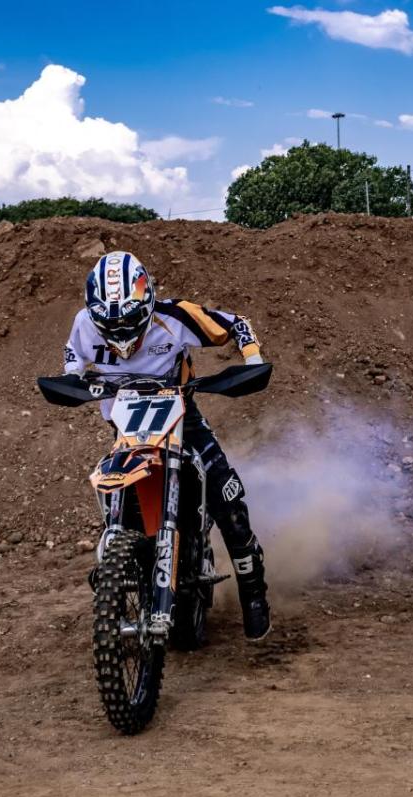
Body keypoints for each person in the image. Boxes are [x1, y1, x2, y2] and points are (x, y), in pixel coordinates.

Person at [63, 251, 271, 641]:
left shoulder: (175, 316)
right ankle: (117, 562)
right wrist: (71, 380)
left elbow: (236, 324)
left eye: (127, 320)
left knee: (228, 500)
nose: (120, 332)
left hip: (181, 417)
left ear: (146, 301)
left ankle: (253, 591)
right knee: (114, 494)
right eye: (109, 322)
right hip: (128, 425)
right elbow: (73, 361)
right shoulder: (83, 323)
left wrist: (253, 359)